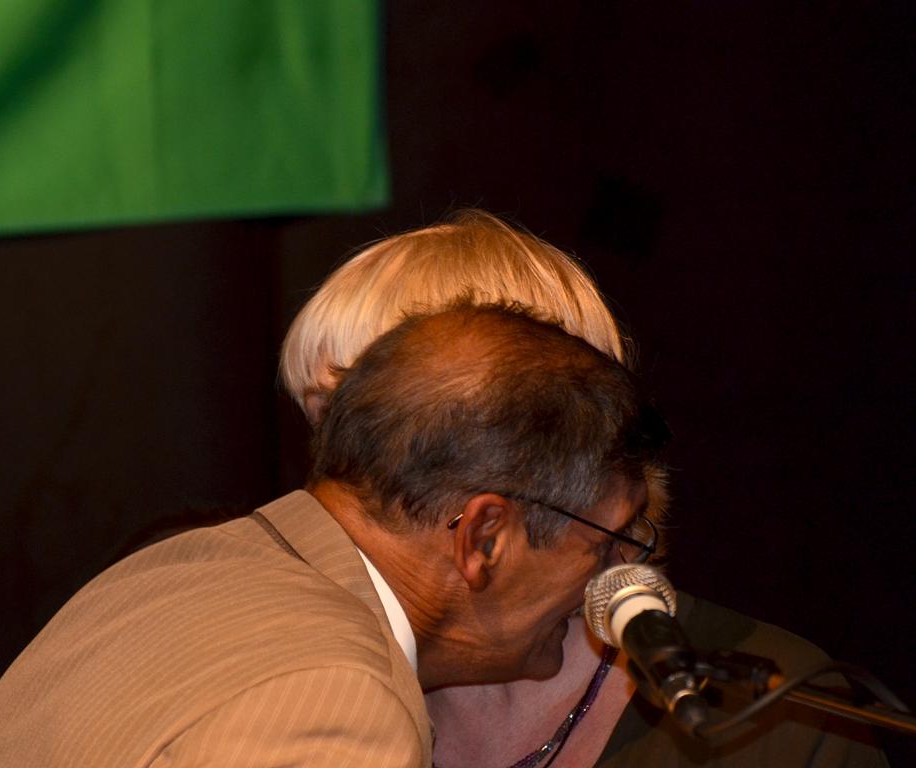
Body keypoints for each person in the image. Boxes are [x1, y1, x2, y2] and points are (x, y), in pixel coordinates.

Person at [280, 209, 888, 767]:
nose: (346, 492)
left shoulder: (778, 718)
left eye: (381, 433)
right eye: (328, 433)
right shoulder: (294, 692)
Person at [0, 303, 664, 767]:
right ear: (483, 538)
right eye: (603, 542)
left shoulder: (168, 570)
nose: (612, 574)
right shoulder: (341, 704)